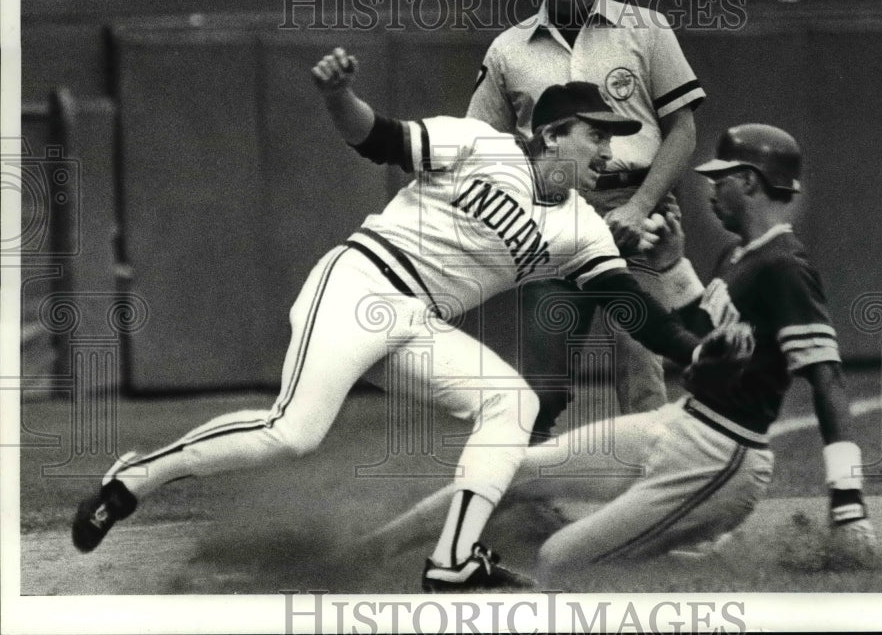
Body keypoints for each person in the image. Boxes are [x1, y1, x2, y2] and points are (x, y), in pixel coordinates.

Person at [71, 48, 752, 593]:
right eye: (597, 133)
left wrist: (692, 353)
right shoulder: (479, 143)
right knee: (292, 433)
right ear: (551, 132)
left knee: (509, 401)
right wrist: (339, 95)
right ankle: (138, 476)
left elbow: (625, 305)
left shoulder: (583, 228)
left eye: (615, 137)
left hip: (416, 322)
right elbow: (376, 137)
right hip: (358, 284)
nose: (609, 150)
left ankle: (453, 560)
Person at [361, 124, 877, 586]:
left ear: (750, 181)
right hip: (678, 423)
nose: (711, 189)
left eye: (721, 178)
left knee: (560, 560)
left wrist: (848, 500)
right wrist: (674, 266)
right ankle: (363, 555)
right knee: (512, 468)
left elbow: (827, 379)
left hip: (723, 454)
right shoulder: (739, 255)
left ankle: (713, 564)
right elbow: (698, 343)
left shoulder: (786, 265)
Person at [468, 0, 707, 438]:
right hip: (551, 219)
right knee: (542, 385)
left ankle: (656, 506)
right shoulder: (509, 50)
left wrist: (642, 205)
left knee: (642, 368)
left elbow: (683, 130)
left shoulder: (645, 29)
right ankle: (522, 505)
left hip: (635, 210)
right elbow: (480, 142)